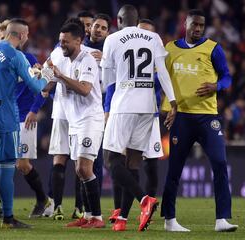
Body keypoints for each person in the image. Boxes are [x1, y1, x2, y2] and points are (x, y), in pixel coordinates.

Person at [0, 18, 53, 228]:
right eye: (27, 34)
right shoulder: (17, 55)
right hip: (5, 116)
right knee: (7, 167)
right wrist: (46, 75)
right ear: (22, 35)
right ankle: (8, 218)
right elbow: (35, 86)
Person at [160, 9, 238, 232]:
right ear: (185, 23)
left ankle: (222, 219)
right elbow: (163, 80)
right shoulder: (171, 49)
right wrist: (167, 109)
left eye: (201, 26)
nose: (198, 29)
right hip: (181, 117)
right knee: (174, 169)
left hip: (207, 117)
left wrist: (217, 86)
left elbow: (227, 77)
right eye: (194, 24)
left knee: (220, 163)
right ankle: (169, 220)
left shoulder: (213, 48)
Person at [100, 5, 177, 232]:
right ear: (136, 20)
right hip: (148, 107)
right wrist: (173, 102)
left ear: (119, 19)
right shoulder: (153, 37)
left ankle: (144, 199)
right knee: (133, 161)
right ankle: (122, 219)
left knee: (110, 159)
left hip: (124, 105)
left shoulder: (113, 39)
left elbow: (107, 81)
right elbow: (162, 72)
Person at [105, 18, 162, 223]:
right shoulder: (130, 50)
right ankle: (122, 216)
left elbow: (110, 83)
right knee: (128, 163)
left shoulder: (156, 55)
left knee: (145, 166)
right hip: (137, 111)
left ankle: (141, 205)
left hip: (145, 114)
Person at [51, 22, 105, 228]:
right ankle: (87, 215)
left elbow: (84, 89)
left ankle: (97, 218)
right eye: (60, 41)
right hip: (75, 121)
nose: (61, 44)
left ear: (78, 40)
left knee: (84, 168)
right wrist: (42, 75)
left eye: (65, 42)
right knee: (79, 170)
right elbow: (50, 82)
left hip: (89, 119)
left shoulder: (87, 61)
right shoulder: (65, 60)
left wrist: (61, 77)